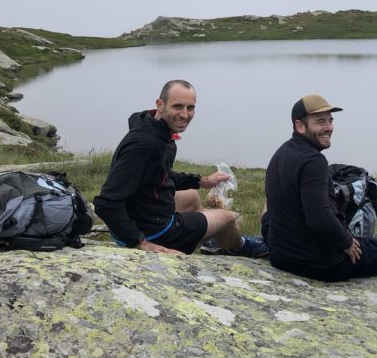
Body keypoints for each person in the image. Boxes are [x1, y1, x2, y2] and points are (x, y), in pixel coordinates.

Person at [93, 80, 267, 256]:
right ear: (160, 105)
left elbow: (161, 176)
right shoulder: (143, 145)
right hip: (154, 231)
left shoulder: (156, 129)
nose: (185, 114)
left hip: (145, 211)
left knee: (191, 195)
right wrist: (141, 242)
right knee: (228, 218)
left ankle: (208, 236)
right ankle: (241, 246)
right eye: (177, 107)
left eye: (190, 108)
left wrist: (202, 181)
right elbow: (106, 203)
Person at [263, 93, 377, 281]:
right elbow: (319, 218)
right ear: (300, 126)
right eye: (320, 122)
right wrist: (346, 242)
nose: (329, 128)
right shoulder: (314, 161)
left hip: (280, 256)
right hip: (319, 264)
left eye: (330, 121)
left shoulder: (281, 152)